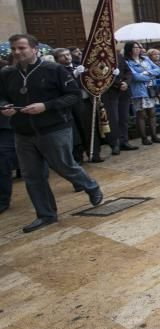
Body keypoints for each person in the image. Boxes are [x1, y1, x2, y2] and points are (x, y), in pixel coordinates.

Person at [0, 34, 103, 232]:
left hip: (54, 128)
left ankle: (90, 186)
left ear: (34, 49)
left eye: (21, 48)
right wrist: (5, 106)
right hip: (23, 131)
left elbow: (73, 95)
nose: (17, 52)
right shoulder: (7, 74)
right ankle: (46, 214)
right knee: (32, 175)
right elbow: (2, 97)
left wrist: (46, 106)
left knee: (64, 165)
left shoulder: (54, 70)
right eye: (14, 49)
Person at [123, 42, 160, 144]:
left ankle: (154, 135)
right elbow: (135, 77)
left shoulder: (146, 59)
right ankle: (144, 138)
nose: (138, 49)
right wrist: (149, 75)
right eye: (136, 47)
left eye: (139, 47)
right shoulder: (127, 62)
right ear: (130, 49)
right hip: (139, 90)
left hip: (151, 88)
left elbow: (158, 70)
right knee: (141, 114)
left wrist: (148, 73)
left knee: (152, 112)